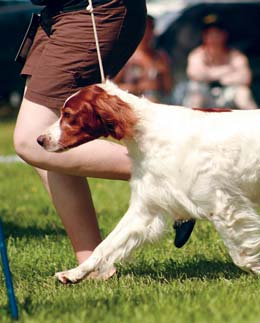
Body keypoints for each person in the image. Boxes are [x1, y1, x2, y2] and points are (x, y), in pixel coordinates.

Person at [13, 0, 192, 279]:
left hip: (90, 11)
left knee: (30, 140)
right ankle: (96, 265)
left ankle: (176, 173)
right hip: (60, 14)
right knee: (50, 141)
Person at [184, 14, 258, 110]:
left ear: (224, 35)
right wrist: (227, 70)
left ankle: (257, 122)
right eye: (209, 34)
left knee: (243, 93)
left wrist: (213, 76)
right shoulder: (197, 54)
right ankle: (191, 123)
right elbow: (195, 74)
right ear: (204, 36)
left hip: (228, 95)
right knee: (195, 90)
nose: (213, 38)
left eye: (217, 33)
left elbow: (245, 78)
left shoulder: (235, 55)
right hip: (206, 96)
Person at [114, 15, 173, 103]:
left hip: (157, 106)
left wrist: (165, 73)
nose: (147, 33)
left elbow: (168, 89)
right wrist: (136, 88)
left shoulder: (160, 56)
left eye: (150, 28)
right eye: (145, 28)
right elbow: (113, 87)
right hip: (134, 106)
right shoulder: (126, 57)